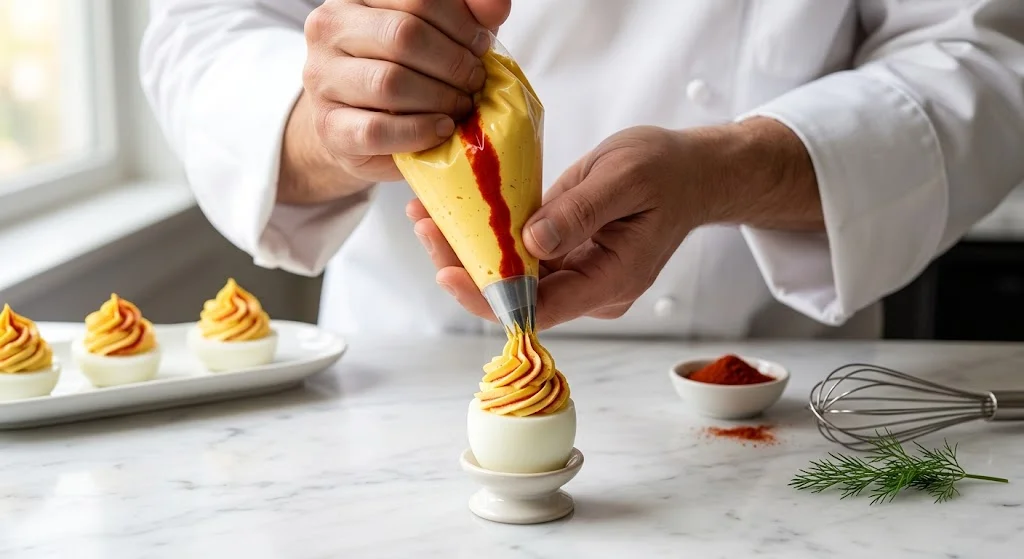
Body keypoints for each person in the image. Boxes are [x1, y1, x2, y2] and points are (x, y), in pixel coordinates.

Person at [140, 0, 1024, 339]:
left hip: (768, 389)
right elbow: (201, 28)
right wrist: (329, 126)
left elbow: (979, 57)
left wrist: (724, 170)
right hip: (409, 380)